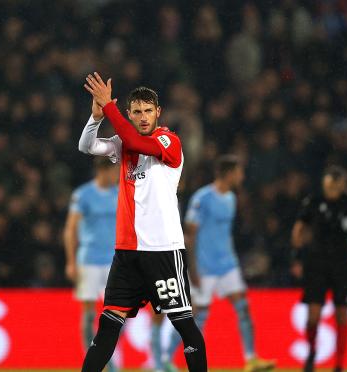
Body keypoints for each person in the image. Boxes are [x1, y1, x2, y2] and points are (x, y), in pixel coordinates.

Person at [79, 73, 207, 372]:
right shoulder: (121, 145)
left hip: (164, 250)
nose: (143, 117)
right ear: (130, 114)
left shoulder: (168, 140)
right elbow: (87, 146)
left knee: (184, 325)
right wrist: (96, 116)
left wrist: (109, 105)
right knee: (108, 326)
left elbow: (136, 140)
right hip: (127, 253)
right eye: (136, 112)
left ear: (158, 112)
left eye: (148, 111)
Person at [161, 155, 275, 372]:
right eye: (239, 172)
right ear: (229, 173)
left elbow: (223, 234)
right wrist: (192, 268)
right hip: (204, 267)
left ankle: (251, 359)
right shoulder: (202, 198)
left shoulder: (231, 198)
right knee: (196, 315)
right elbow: (190, 235)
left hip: (227, 265)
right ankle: (166, 357)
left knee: (243, 307)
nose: (242, 176)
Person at [291, 166, 347, 372]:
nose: (332, 190)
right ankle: (311, 353)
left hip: (341, 264)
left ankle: (339, 364)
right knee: (313, 314)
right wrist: (297, 257)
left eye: (336, 186)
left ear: (343, 185)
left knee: (342, 314)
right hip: (316, 263)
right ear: (324, 185)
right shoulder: (314, 202)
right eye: (329, 186)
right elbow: (299, 229)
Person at [63, 157, 120, 371]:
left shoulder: (119, 193)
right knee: (88, 314)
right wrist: (71, 262)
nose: (117, 175)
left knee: (117, 312)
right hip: (88, 260)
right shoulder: (83, 195)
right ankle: (92, 359)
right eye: (114, 171)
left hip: (114, 261)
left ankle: (108, 356)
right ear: (103, 170)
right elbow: (70, 229)